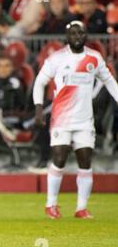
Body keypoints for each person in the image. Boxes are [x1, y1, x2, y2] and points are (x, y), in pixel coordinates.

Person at [33, 21, 118, 219]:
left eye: (81, 33)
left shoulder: (94, 58)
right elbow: (39, 82)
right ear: (67, 36)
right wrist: (38, 108)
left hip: (84, 120)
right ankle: (51, 205)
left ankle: (81, 208)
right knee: (59, 158)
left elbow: (109, 81)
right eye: (73, 33)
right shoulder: (57, 58)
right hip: (61, 118)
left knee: (86, 161)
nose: (78, 36)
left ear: (86, 35)